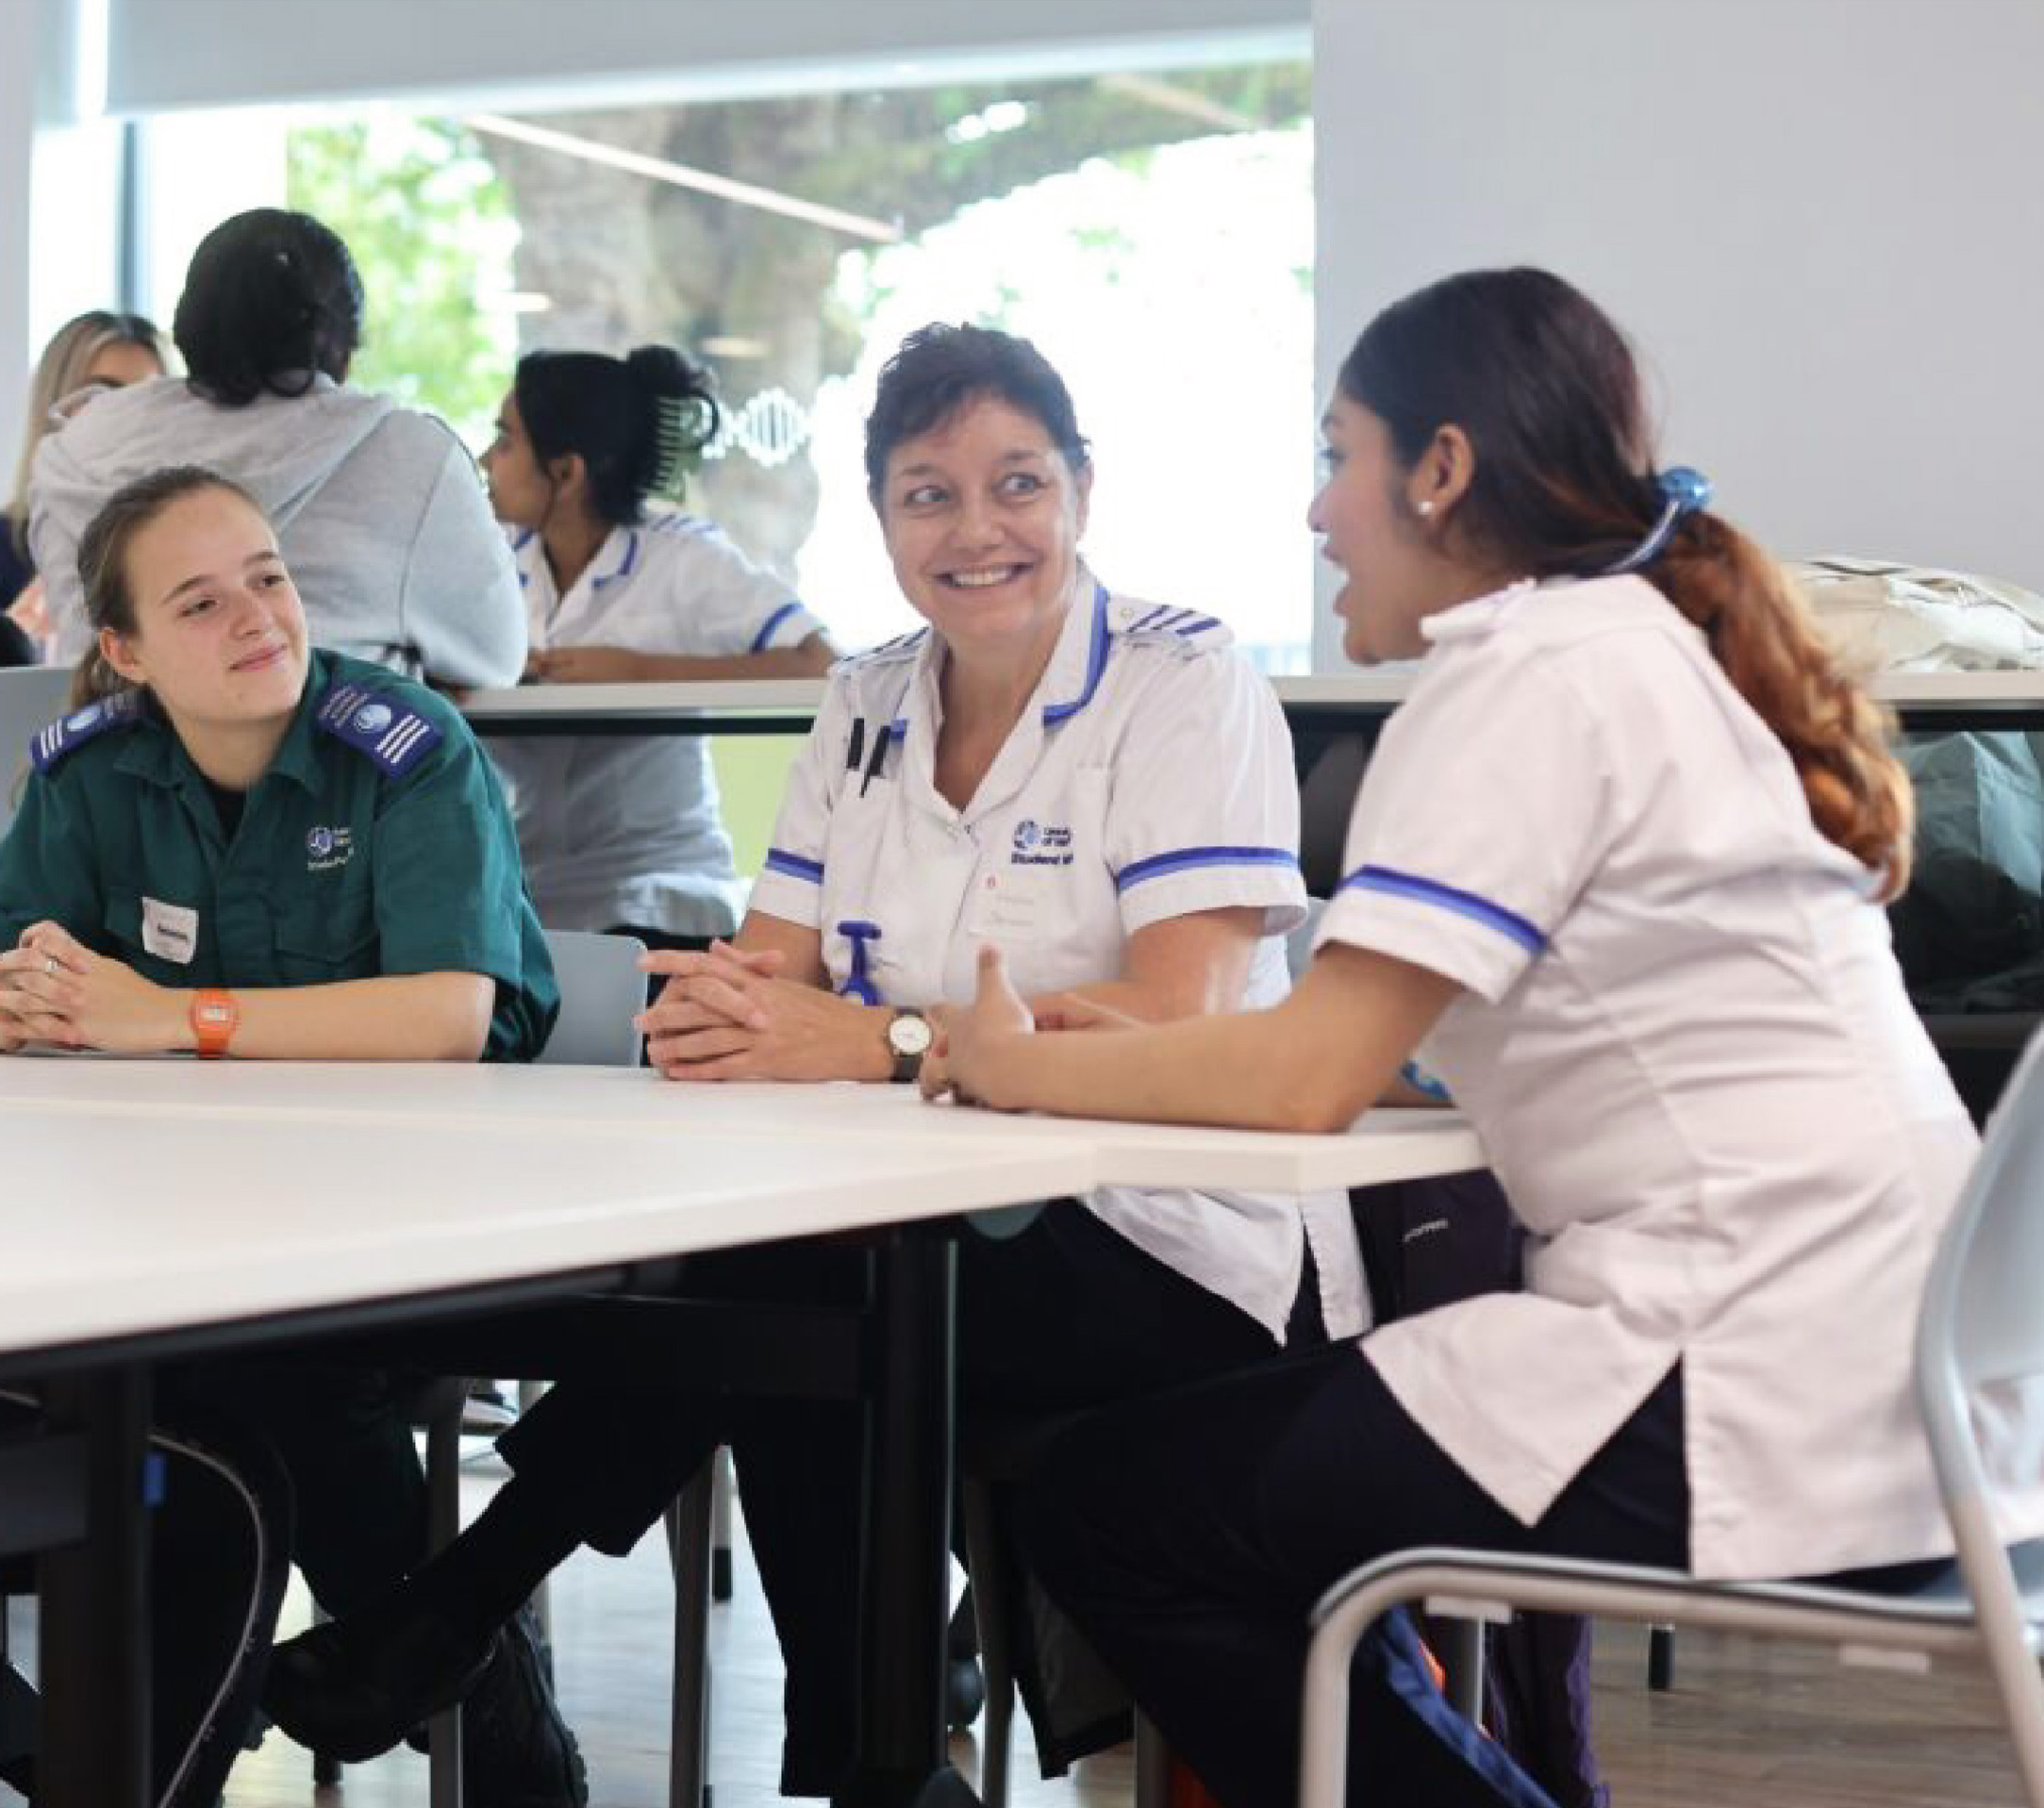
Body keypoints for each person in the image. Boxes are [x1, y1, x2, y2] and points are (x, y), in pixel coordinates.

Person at [929, 267, 2040, 1808]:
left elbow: (1302, 1075)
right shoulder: (1650, 647)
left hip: (1736, 1369)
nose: (1318, 513)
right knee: (1225, 1499)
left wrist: (1011, 1063)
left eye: (1338, 457)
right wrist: (1117, 1046)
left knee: (1118, 1505)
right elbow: (1412, 1047)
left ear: (1438, 470)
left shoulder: (1520, 677)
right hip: (1907, 1372)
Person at [261, 322, 1366, 1796]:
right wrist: (725, 1013)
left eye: (1015, 485)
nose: (976, 530)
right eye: (927, 495)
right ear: (883, 519)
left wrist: (870, 1040)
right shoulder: (864, 698)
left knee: (796, 1302)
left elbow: (1173, 1018)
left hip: (1171, 1242)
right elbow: (764, 964)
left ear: (1082, 492)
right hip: (910, 1226)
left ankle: (469, 1606)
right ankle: (864, 1760)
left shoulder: (1181, 677)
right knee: (792, 1297)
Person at [0, 465, 576, 1804]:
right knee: (199, 1389)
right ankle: (459, 1695)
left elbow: (446, 1015)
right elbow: (25, 978)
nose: (258, 616)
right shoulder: (91, 776)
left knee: (251, 1393)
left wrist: (168, 1019)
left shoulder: (403, 745)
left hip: (436, 1224)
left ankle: (175, 1760)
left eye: (267, 575)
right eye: (201, 602)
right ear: (127, 653)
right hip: (173, 1227)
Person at [28, 208, 525, 688]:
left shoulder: (80, 446)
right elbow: (496, 656)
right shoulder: (407, 456)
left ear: (187, 328)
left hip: (107, 761)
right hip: (329, 763)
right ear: (344, 342)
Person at [481, 342, 833, 951]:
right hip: (534, 886)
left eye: (505, 441)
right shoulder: (496, 561)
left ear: (567, 473)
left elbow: (821, 665)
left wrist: (639, 671)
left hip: (660, 892)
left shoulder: (682, 556)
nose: (486, 460)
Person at [2, 308, 169, 639]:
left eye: (149, 397)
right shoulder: (5, 548)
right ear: (54, 403)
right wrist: (11, 639)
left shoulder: (192, 545)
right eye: (99, 395)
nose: (126, 415)